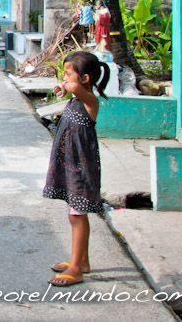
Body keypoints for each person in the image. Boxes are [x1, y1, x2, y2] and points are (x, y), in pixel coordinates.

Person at [43, 51, 110, 287]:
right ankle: (82, 261)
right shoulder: (77, 98)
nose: (64, 76)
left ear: (85, 79)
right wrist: (63, 87)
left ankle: (76, 269)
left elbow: (75, 88)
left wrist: (67, 85)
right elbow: (71, 88)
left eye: (69, 73)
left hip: (81, 170)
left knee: (77, 215)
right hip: (71, 166)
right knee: (75, 215)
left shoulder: (90, 101)